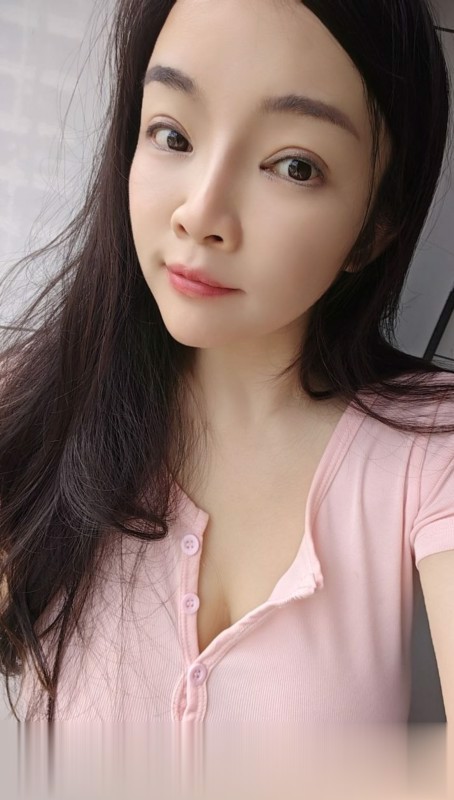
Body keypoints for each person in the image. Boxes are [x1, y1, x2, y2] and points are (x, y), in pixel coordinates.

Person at [0, 0, 453, 728]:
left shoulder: (432, 447)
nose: (200, 213)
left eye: (294, 166)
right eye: (172, 134)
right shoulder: (30, 406)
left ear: (375, 226)